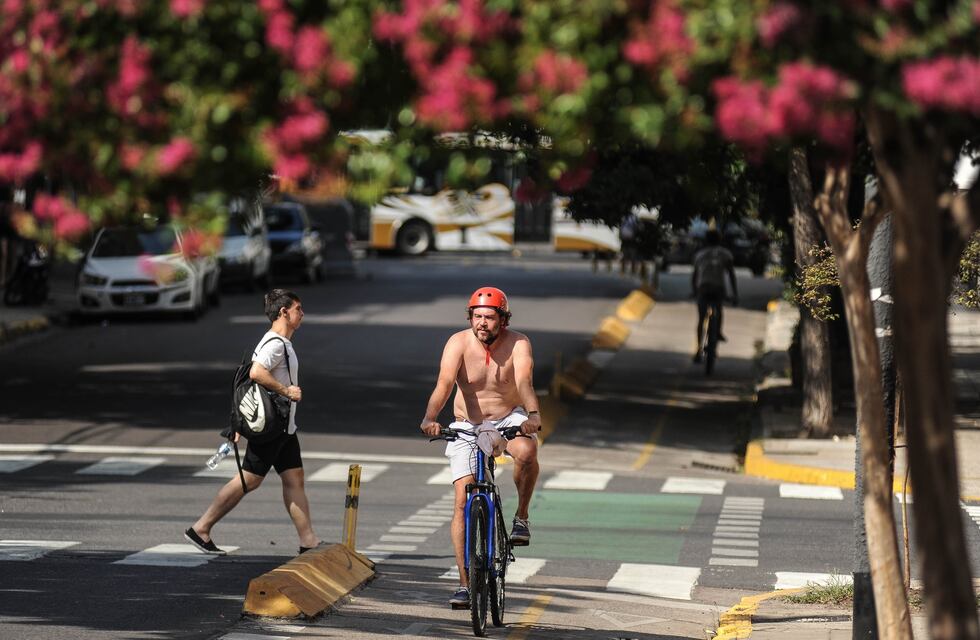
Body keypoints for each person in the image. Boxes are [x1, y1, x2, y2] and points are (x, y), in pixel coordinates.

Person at [420, 287, 542, 608]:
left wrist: (533, 415)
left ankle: (522, 517)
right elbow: (444, 384)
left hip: (507, 418)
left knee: (527, 453)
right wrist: (430, 417)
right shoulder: (458, 343)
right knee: (462, 499)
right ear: (470, 317)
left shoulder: (519, 343)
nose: (482, 323)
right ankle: (464, 583)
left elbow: (525, 382)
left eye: (489, 317)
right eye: (477, 316)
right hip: (467, 425)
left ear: (503, 319)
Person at [184, 289, 322, 555]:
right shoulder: (275, 344)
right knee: (248, 480)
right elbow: (257, 372)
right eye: (298, 309)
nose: (302, 314)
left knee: (294, 478)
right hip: (272, 428)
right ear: (284, 312)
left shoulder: (281, 342)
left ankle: (309, 541)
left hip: (285, 428)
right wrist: (287, 391)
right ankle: (201, 528)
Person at [691, 228, 738, 362]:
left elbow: (694, 276)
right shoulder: (726, 254)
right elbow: (731, 275)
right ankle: (717, 333)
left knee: (701, 319)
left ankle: (698, 349)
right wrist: (734, 294)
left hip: (703, 288)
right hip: (718, 288)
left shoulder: (699, 255)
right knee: (719, 310)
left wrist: (694, 291)